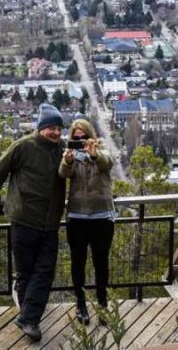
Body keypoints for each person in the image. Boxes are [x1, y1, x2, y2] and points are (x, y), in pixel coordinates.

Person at [0, 103, 66, 342]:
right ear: (41, 128)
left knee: (45, 272)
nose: (55, 132)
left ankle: (28, 318)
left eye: (59, 128)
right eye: (51, 127)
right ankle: (29, 318)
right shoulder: (22, 146)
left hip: (50, 222)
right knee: (25, 273)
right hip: (23, 219)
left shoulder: (62, 149)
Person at [58, 119, 115, 325]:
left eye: (84, 137)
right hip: (77, 216)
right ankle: (81, 305)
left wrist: (94, 153)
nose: (80, 141)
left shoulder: (102, 151)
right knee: (78, 263)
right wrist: (67, 160)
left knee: (102, 264)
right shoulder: (71, 157)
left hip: (101, 216)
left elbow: (107, 163)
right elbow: (62, 174)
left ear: (91, 136)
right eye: (76, 138)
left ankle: (102, 304)